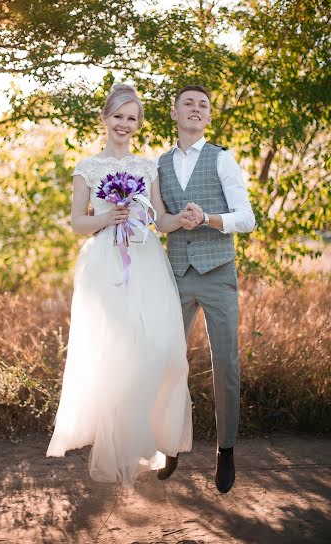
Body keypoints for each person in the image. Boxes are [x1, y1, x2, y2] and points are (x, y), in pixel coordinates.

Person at [47, 83, 197, 485]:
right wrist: (106, 217)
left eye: (132, 118)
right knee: (116, 354)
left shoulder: (148, 168)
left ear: (139, 124)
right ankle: (118, 447)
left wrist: (179, 219)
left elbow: (159, 220)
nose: (124, 125)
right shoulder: (88, 168)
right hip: (105, 265)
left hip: (146, 262)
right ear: (105, 118)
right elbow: (78, 223)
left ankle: (154, 437)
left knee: (162, 350)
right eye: (118, 116)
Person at [157, 84, 256, 493]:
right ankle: (172, 444)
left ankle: (226, 449)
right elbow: (156, 219)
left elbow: (246, 219)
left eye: (203, 105)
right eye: (188, 104)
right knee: (166, 363)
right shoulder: (158, 165)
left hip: (217, 273)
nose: (196, 110)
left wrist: (209, 218)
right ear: (175, 114)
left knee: (226, 365)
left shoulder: (222, 159)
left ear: (209, 117)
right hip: (176, 273)